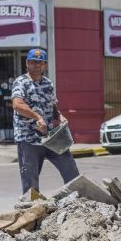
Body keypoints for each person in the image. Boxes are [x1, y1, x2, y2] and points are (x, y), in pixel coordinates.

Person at [11, 48, 79, 194]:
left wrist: (59, 116)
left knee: (70, 169)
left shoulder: (48, 83)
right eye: (34, 62)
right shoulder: (21, 82)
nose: (37, 65)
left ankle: (76, 201)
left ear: (45, 65)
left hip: (51, 137)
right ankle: (32, 212)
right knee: (31, 181)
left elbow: (53, 106)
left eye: (41, 63)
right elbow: (17, 105)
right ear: (27, 63)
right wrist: (38, 117)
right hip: (29, 139)